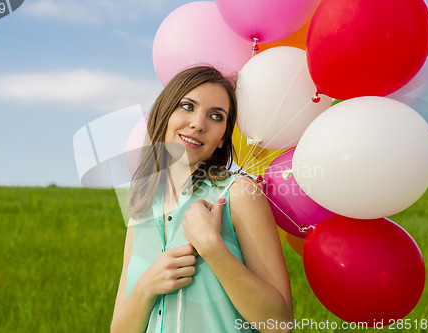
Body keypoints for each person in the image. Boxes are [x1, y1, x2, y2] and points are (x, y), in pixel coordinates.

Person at [111, 66, 293, 333]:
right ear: (165, 113)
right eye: (187, 106)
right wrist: (146, 286)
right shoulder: (141, 210)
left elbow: (280, 324)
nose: (198, 123)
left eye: (216, 116)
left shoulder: (238, 194)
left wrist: (212, 247)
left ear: (222, 139)